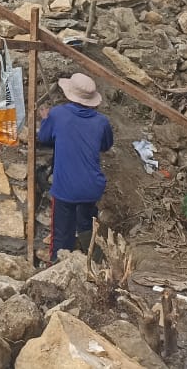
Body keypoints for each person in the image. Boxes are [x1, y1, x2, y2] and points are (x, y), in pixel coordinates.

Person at [37, 72, 113, 261]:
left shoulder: (58, 114)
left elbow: (44, 139)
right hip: (91, 186)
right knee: (86, 222)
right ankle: (96, 264)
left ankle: (57, 267)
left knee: (61, 232)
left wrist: (46, 119)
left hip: (65, 187)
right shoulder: (102, 122)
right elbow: (105, 145)